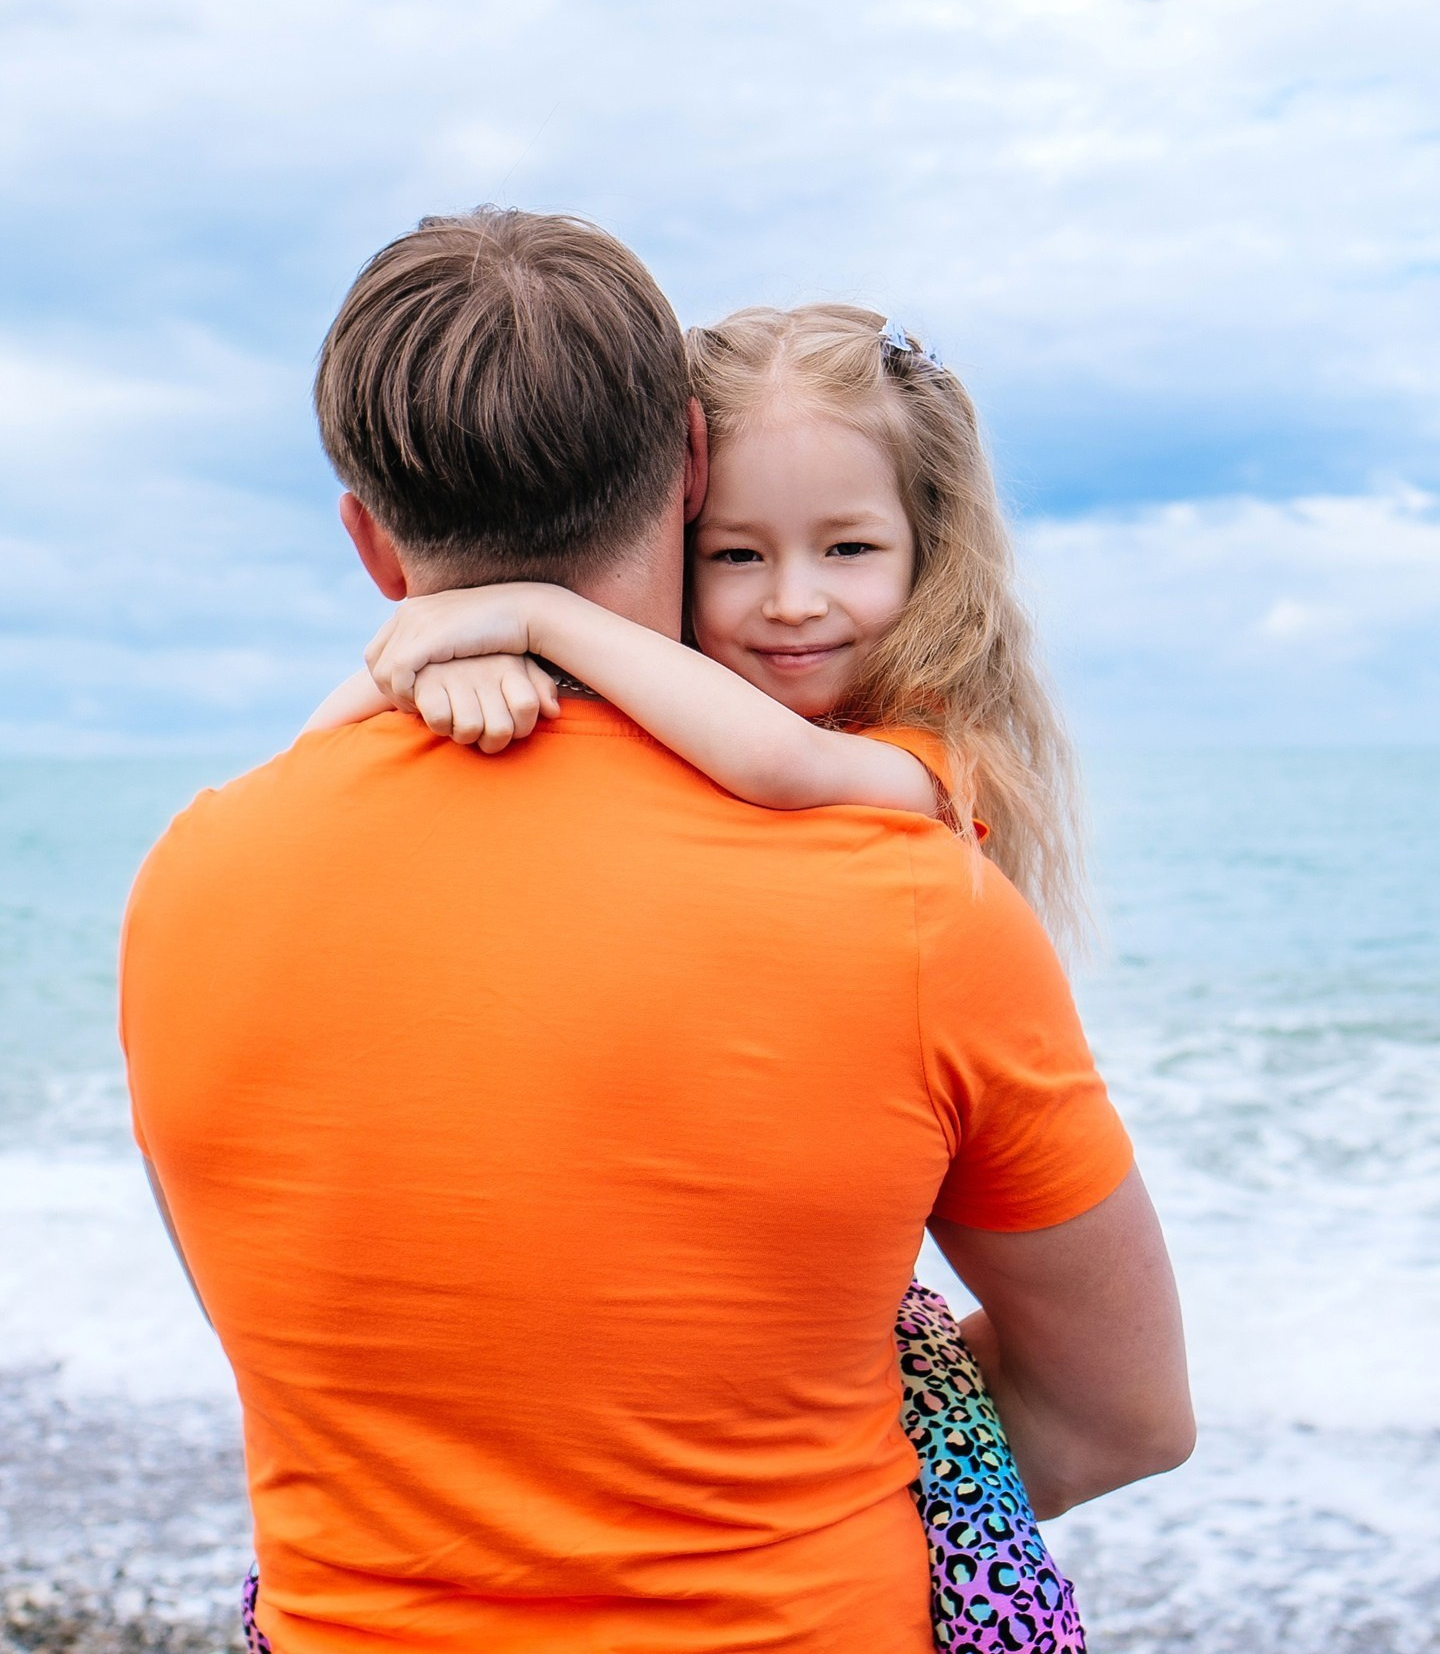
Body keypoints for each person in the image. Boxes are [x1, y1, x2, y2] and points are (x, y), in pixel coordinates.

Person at [120, 209, 1193, 1654]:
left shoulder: (188, 882)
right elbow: (1120, 1416)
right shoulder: (910, 897)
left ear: (370, 543)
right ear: (691, 467)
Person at [313, 300, 1108, 1650]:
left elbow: (781, 767)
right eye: (736, 553)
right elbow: (306, 776)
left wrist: (526, 612)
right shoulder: (653, 727)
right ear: (673, 529)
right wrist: (438, 661)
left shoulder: (921, 764)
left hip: (844, 1360)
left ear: (931, 553)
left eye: (848, 548)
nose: (793, 601)